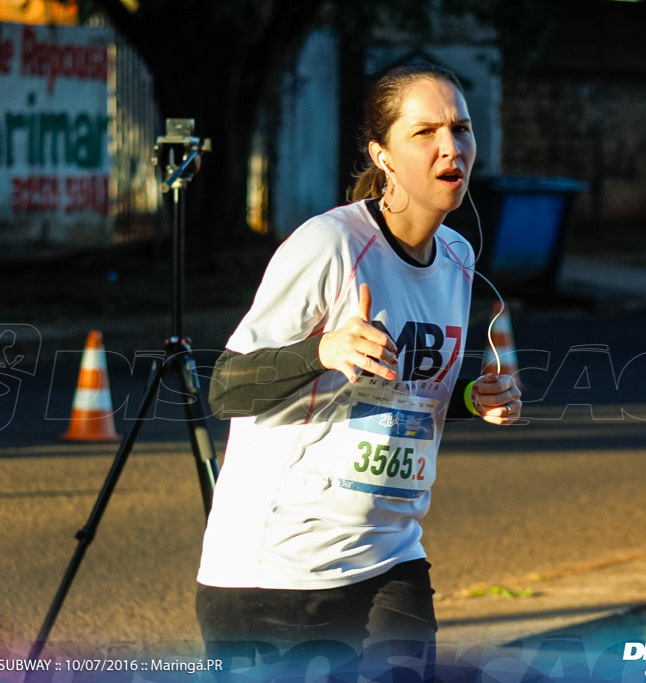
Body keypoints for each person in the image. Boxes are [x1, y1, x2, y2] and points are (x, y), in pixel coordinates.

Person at [194, 63, 522, 679]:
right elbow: (225, 387)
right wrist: (321, 351)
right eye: (425, 132)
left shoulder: (457, 255)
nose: (451, 147)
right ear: (383, 154)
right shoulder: (330, 245)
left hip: (390, 556)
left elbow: (407, 390)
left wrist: (473, 399)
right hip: (277, 574)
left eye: (462, 128)